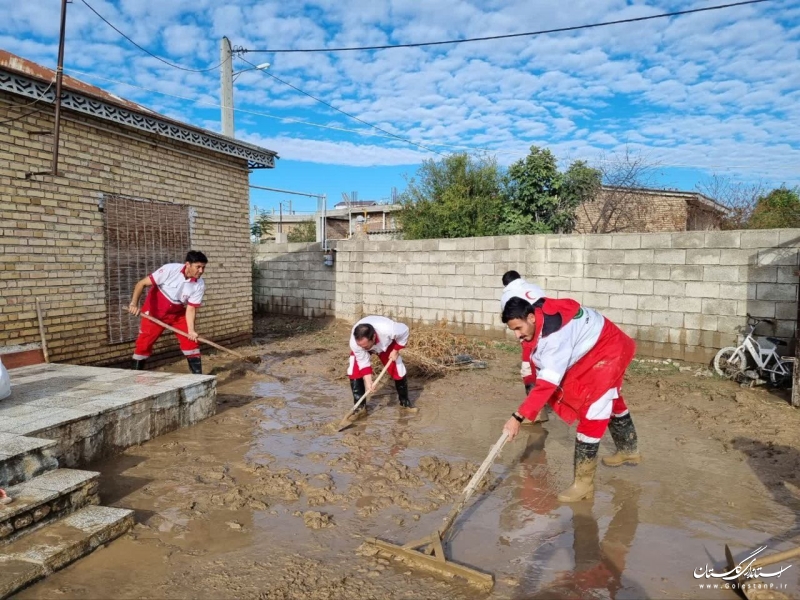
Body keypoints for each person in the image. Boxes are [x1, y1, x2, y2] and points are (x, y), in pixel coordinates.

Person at [501, 296, 641, 503]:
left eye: (519, 328)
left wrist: (517, 417)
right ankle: (629, 450)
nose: (517, 335)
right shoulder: (538, 315)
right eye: (513, 329)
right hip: (597, 343)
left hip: (608, 350)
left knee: (594, 408)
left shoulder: (555, 338)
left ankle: (583, 485)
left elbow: (547, 384)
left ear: (531, 317)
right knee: (611, 397)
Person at [128, 250, 208, 374]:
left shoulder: (199, 284)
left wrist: (191, 331)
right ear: (188, 264)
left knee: (191, 342)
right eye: (198, 267)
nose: (201, 271)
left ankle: (199, 378)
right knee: (144, 345)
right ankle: (135, 375)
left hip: (177, 314)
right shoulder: (170, 270)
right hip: (154, 313)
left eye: (203, 267)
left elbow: (191, 309)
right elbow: (141, 284)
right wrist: (133, 304)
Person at [501, 271, 549, 424]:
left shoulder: (508, 295)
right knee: (543, 368)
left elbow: (509, 317)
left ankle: (536, 413)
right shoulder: (534, 288)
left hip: (532, 335)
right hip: (546, 331)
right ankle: (541, 406)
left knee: (528, 371)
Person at [348, 316, 414, 414]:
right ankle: (359, 409)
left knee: (398, 371)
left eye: (365, 346)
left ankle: (405, 403)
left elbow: (405, 330)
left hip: (385, 345)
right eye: (360, 345)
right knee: (353, 371)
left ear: (373, 337)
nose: (362, 348)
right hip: (366, 348)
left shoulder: (388, 329)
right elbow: (363, 362)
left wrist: (396, 350)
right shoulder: (356, 344)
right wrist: (368, 382)